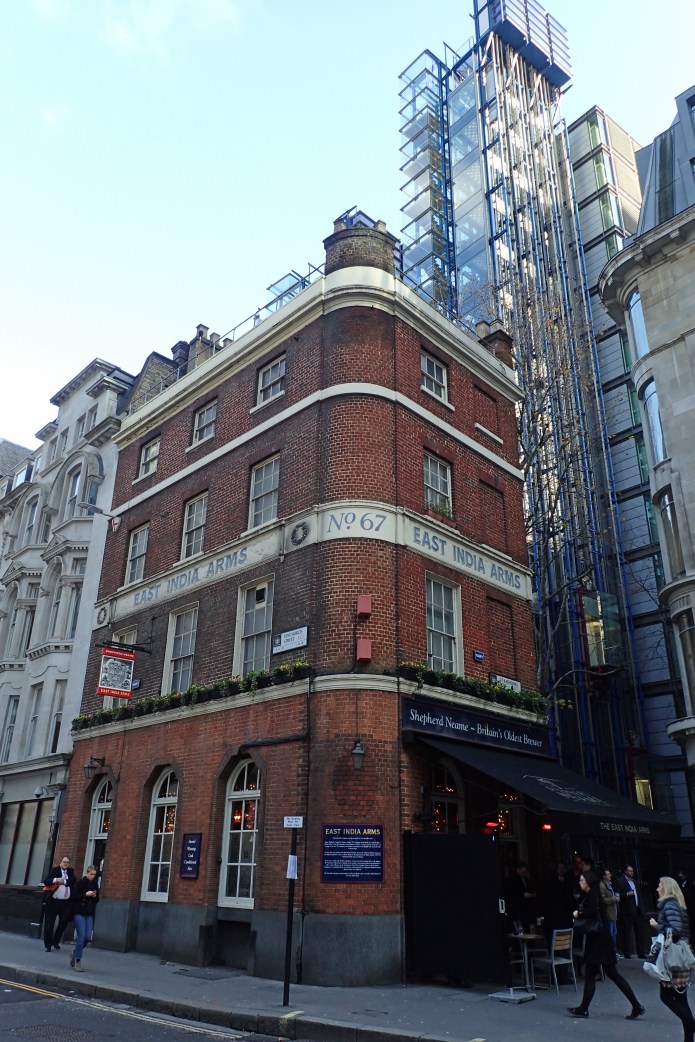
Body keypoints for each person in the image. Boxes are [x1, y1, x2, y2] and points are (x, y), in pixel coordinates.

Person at [567, 870, 645, 1019]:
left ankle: (585, 1008)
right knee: (608, 974)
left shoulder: (592, 895)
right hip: (601, 940)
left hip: (598, 942)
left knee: (602, 974)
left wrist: (578, 914)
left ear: (588, 882)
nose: (580, 883)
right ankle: (635, 1005)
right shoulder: (593, 894)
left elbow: (593, 911)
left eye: (582, 880)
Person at [648, 876, 695, 1042]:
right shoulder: (677, 905)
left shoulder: (669, 905)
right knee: (682, 1001)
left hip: (674, 959)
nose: (657, 888)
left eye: (659, 885)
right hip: (681, 958)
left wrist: (657, 926)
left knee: (666, 996)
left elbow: (674, 930)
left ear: (666, 888)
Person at [42, 855, 75, 953]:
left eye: (67, 862)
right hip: (53, 901)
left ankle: (55, 941)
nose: (66, 864)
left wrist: (63, 881)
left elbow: (72, 881)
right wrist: (56, 880)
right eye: (64, 862)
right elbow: (46, 881)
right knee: (49, 924)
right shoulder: (55, 871)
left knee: (64, 922)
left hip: (65, 903)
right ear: (60, 863)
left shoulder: (70, 872)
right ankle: (48, 945)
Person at [69, 865, 99, 972]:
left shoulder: (95, 884)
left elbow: (97, 900)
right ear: (87, 873)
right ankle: (78, 960)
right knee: (81, 936)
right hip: (79, 912)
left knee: (87, 937)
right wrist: (85, 894)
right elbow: (74, 897)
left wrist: (95, 896)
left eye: (94, 875)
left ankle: (75, 952)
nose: (92, 876)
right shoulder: (80, 883)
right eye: (91, 874)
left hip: (89, 912)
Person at [615, 864, 645, 958]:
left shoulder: (635, 882)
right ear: (625, 871)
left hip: (637, 909)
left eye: (632, 871)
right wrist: (627, 894)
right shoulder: (620, 881)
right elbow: (618, 895)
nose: (631, 873)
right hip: (627, 910)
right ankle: (627, 952)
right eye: (629, 871)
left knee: (639, 932)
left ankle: (641, 952)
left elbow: (639, 895)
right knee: (626, 933)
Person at [505, 861, 537, 933]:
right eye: (523, 871)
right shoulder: (512, 880)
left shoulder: (527, 880)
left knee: (528, 931)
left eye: (525, 871)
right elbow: (510, 894)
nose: (524, 873)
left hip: (527, 911)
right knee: (519, 932)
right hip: (518, 911)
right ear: (518, 870)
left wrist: (532, 895)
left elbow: (532, 891)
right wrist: (522, 895)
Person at [600, 868, 621, 955]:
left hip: (613, 912)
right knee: (611, 933)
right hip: (608, 913)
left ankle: (614, 951)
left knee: (614, 933)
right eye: (608, 874)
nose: (610, 876)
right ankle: (611, 952)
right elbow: (603, 900)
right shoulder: (602, 886)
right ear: (604, 876)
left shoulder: (610, 884)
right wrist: (613, 899)